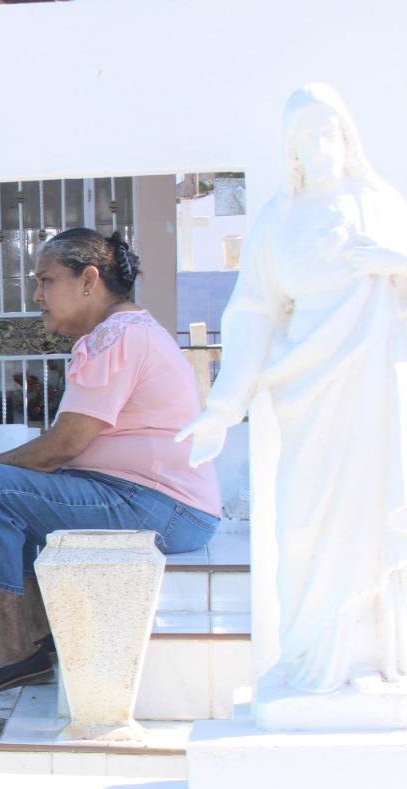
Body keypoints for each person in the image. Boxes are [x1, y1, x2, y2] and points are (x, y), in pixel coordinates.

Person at [181, 83, 407, 698]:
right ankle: (307, 655)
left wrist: (390, 259)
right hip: (307, 387)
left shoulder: (382, 205)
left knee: (366, 519)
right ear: (293, 151)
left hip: (373, 389)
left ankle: (365, 658)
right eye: (304, 138)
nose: (318, 146)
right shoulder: (279, 220)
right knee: (303, 526)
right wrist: (223, 406)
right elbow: (252, 311)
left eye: (327, 132)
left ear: (346, 137)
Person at [0, 229, 221, 700]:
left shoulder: (119, 336)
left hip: (163, 507)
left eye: (47, 281)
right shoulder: (125, 332)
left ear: (89, 280)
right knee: (13, 489)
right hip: (156, 502)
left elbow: (66, 443)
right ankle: (38, 639)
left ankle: (14, 652)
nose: (37, 295)